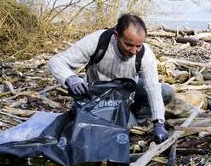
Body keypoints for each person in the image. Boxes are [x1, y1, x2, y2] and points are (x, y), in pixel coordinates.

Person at [48, 14, 173, 143]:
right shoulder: (97, 41)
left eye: (138, 46)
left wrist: (159, 122)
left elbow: (153, 88)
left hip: (127, 93)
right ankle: (128, 120)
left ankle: (139, 118)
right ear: (116, 35)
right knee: (126, 130)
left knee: (166, 92)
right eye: (129, 45)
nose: (134, 51)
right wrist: (70, 78)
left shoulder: (145, 54)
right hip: (99, 97)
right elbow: (56, 61)